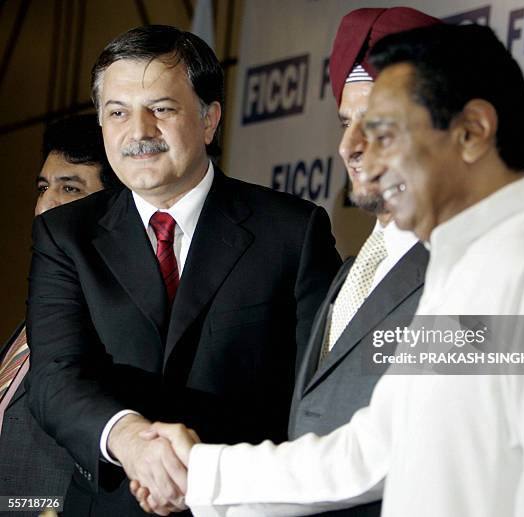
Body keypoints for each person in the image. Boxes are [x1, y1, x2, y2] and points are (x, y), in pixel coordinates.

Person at [134, 24, 524, 517]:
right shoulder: (460, 269)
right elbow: (375, 449)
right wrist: (200, 472)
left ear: (472, 131)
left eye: (384, 130)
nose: (352, 150)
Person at [25, 25, 341, 517]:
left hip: (244, 505)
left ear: (209, 119)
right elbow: (55, 378)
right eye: (117, 113)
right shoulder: (65, 236)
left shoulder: (292, 233)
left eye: (162, 109)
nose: (139, 132)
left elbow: (320, 390)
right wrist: (131, 441)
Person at [288, 8, 437, 517]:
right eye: (346, 122)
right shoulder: (350, 273)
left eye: (375, 123)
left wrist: (202, 477)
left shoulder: (472, 268)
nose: (349, 147)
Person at [0, 113, 119, 513]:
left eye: (69, 188)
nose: (46, 205)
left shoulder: (116, 323)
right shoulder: (40, 313)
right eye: (43, 187)